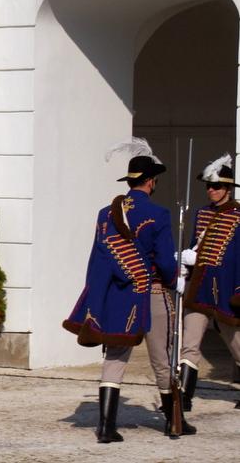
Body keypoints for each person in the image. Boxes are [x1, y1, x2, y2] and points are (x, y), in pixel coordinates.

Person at [63, 138, 194, 443]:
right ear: (151, 182)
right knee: (160, 358)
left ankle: (106, 427)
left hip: (120, 297)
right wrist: (178, 281)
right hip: (152, 293)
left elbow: (98, 258)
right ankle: (173, 421)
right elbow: (163, 259)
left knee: (116, 357)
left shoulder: (105, 214)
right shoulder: (159, 214)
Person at [178, 153, 240, 411]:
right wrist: (185, 265)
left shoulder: (238, 216)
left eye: (216, 186)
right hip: (200, 287)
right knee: (189, 345)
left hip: (226, 289)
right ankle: (183, 398)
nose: (211, 190)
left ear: (227, 188)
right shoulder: (201, 213)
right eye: (208, 186)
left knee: (236, 344)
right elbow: (196, 246)